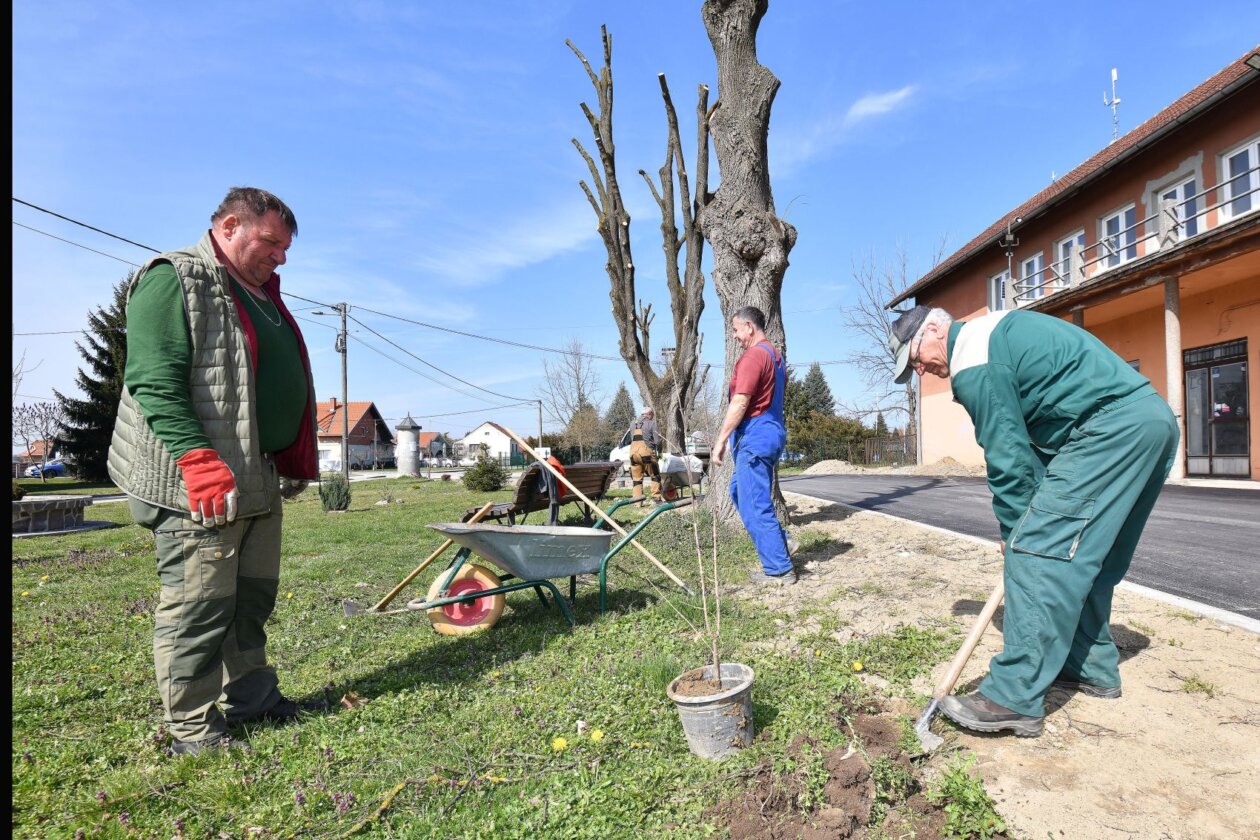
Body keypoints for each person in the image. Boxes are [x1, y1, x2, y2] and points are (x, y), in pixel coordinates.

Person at [889, 305, 1178, 737]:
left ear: (933, 328)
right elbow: (1039, 447)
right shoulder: (995, 334)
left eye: (916, 358)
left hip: (1108, 430)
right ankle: (1088, 665)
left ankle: (1012, 697)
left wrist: (1015, 532)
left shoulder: (973, 357)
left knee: (1036, 551)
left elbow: (1008, 460)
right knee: (1088, 559)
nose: (922, 371)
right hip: (1148, 422)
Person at [108, 187, 319, 756]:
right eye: (272, 242)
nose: (281, 257)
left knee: (250, 601)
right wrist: (197, 460)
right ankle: (192, 728)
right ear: (230, 225)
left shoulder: (258, 294)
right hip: (193, 482)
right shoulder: (173, 279)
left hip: (255, 476)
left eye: (285, 248)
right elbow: (152, 379)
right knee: (199, 606)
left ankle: (253, 700)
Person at [711, 306, 799, 585]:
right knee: (739, 490)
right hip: (772, 431)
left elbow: (740, 401)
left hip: (756, 434)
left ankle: (779, 569)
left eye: (736, 330)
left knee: (755, 500)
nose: (735, 336)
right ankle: (780, 541)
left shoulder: (754, 356)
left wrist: (721, 440)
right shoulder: (775, 357)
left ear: (749, 326)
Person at [626, 407, 664, 502]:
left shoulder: (632, 424)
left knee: (636, 478)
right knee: (655, 475)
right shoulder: (652, 423)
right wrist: (659, 454)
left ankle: (637, 501)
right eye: (652, 415)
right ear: (650, 414)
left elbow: (632, 438)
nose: (653, 417)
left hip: (633, 454)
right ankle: (656, 498)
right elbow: (658, 441)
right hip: (646, 453)